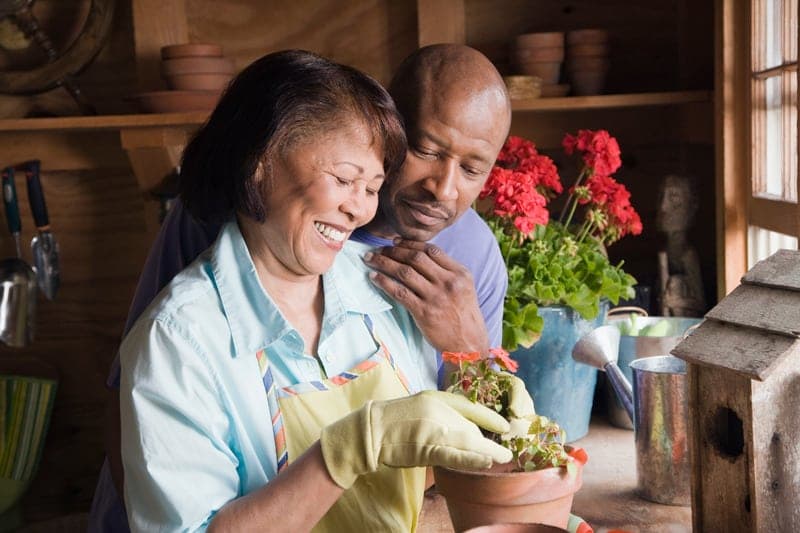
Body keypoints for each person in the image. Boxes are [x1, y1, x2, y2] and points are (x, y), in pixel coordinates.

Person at [89, 44, 516, 531]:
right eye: (425, 150)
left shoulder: (411, 272)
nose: (359, 210)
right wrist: (352, 446)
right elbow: (140, 399)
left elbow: (464, 450)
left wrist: (475, 356)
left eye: (371, 186)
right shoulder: (180, 326)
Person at [656, 174, 706, 317]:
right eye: (661, 197)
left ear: (691, 207)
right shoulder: (666, 250)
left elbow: (700, 303)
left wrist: (675, 303)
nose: (663, 207)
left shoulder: (688, 255)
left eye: (674, 198)